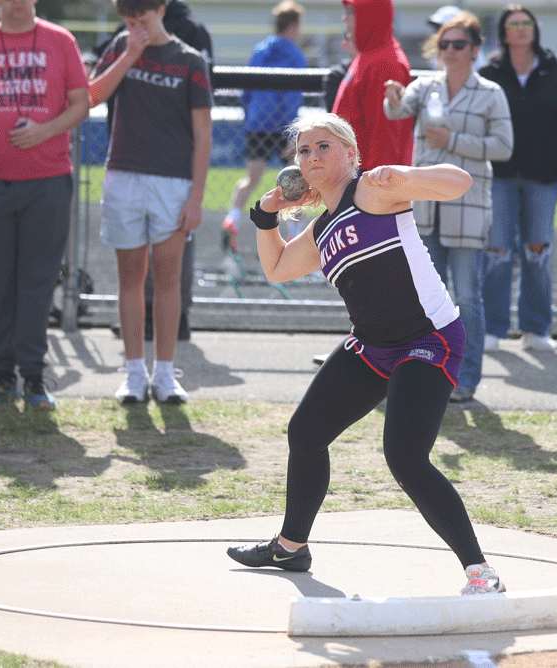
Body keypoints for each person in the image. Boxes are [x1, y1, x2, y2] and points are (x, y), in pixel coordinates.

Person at [226, 112, 506, 596]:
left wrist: (402, 177)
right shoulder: (320, 230)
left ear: (351, 154)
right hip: (373, 346)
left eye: (324, 147)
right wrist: (266, 216)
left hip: (428, 339)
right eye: (304, 151)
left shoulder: (373, 191)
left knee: (405, 457)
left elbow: (458, 182)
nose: (312, 156)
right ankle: (290, 547)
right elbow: (275, 267)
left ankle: (480, 572)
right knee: (306, 433)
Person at [0, 0, 89, 409]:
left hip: (46, 181)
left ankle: (34, 377)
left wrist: (45, 130)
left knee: (38, 281)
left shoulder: (60, 41)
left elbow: (80, 103)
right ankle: (1, 374)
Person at [383, 11, 512, 403]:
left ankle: (467, 378)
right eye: (444, 44)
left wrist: (452, 140)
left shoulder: (491, 93)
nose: (449, 51)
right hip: (424, 211)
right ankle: (423, 375)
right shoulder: (426, 86)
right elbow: (396, 110)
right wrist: (392, 96)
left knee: (468, 296)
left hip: (468, 209)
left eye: (458, 44)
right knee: (424, 299)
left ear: (474, 50)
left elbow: (504, 148)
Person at [89, 0, 212, 405]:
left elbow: (203, 134)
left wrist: (196, 198)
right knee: (129, 277)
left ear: (160, 9)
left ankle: (165, 374)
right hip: (123, 174)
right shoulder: (121, 45)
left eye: (142, 19)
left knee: (167, 279)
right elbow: (92, 95)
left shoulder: (191, 59)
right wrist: (129, 54)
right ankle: (133, 373)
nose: (136, 27)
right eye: (128, 21)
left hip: (173, 182)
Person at [479, 5, 557, 352]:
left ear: (534, 30)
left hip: (543, 176)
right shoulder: (490, 73)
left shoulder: (555, 71)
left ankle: (536, 329)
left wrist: (549, 153)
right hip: (500, 176)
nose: (520, 29)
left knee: (537, 250)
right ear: (504, 33)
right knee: (498, 251)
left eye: (526, 23)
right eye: (513, 24)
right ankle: (492, 328)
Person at [220, 1, 306, 253]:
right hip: (283, 127)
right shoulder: (295, 54)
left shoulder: (260, 49)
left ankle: (232, 219)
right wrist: (293, 133)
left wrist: (250, 116)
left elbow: (246, 91)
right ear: (292, 25)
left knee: (250, 179)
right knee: (298, 182)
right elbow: (292, 98)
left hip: (258, 124)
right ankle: (295, 237)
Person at [332, 0, 413, 171]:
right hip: (354, 171)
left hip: (368, 177)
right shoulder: (370, 54)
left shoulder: (384, 63)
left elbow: (385, 139)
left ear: (370, 16)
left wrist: (374, 188)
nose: (344, 18)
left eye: (351, 12)